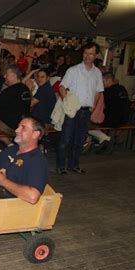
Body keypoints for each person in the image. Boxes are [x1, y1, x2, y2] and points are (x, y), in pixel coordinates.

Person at [56, 42, 103, 175]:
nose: (87, 56)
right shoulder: (73, 70)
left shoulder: (97, 73)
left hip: (86, 110)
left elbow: (98, 91)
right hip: (73, 110)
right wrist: (67, 102)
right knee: (66, 139)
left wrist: (93, 106)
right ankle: (61, 166)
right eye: (85, 53)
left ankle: (74, 164)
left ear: (96, 55)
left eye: (91, 54)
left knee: (79, 140)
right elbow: (62, 86)